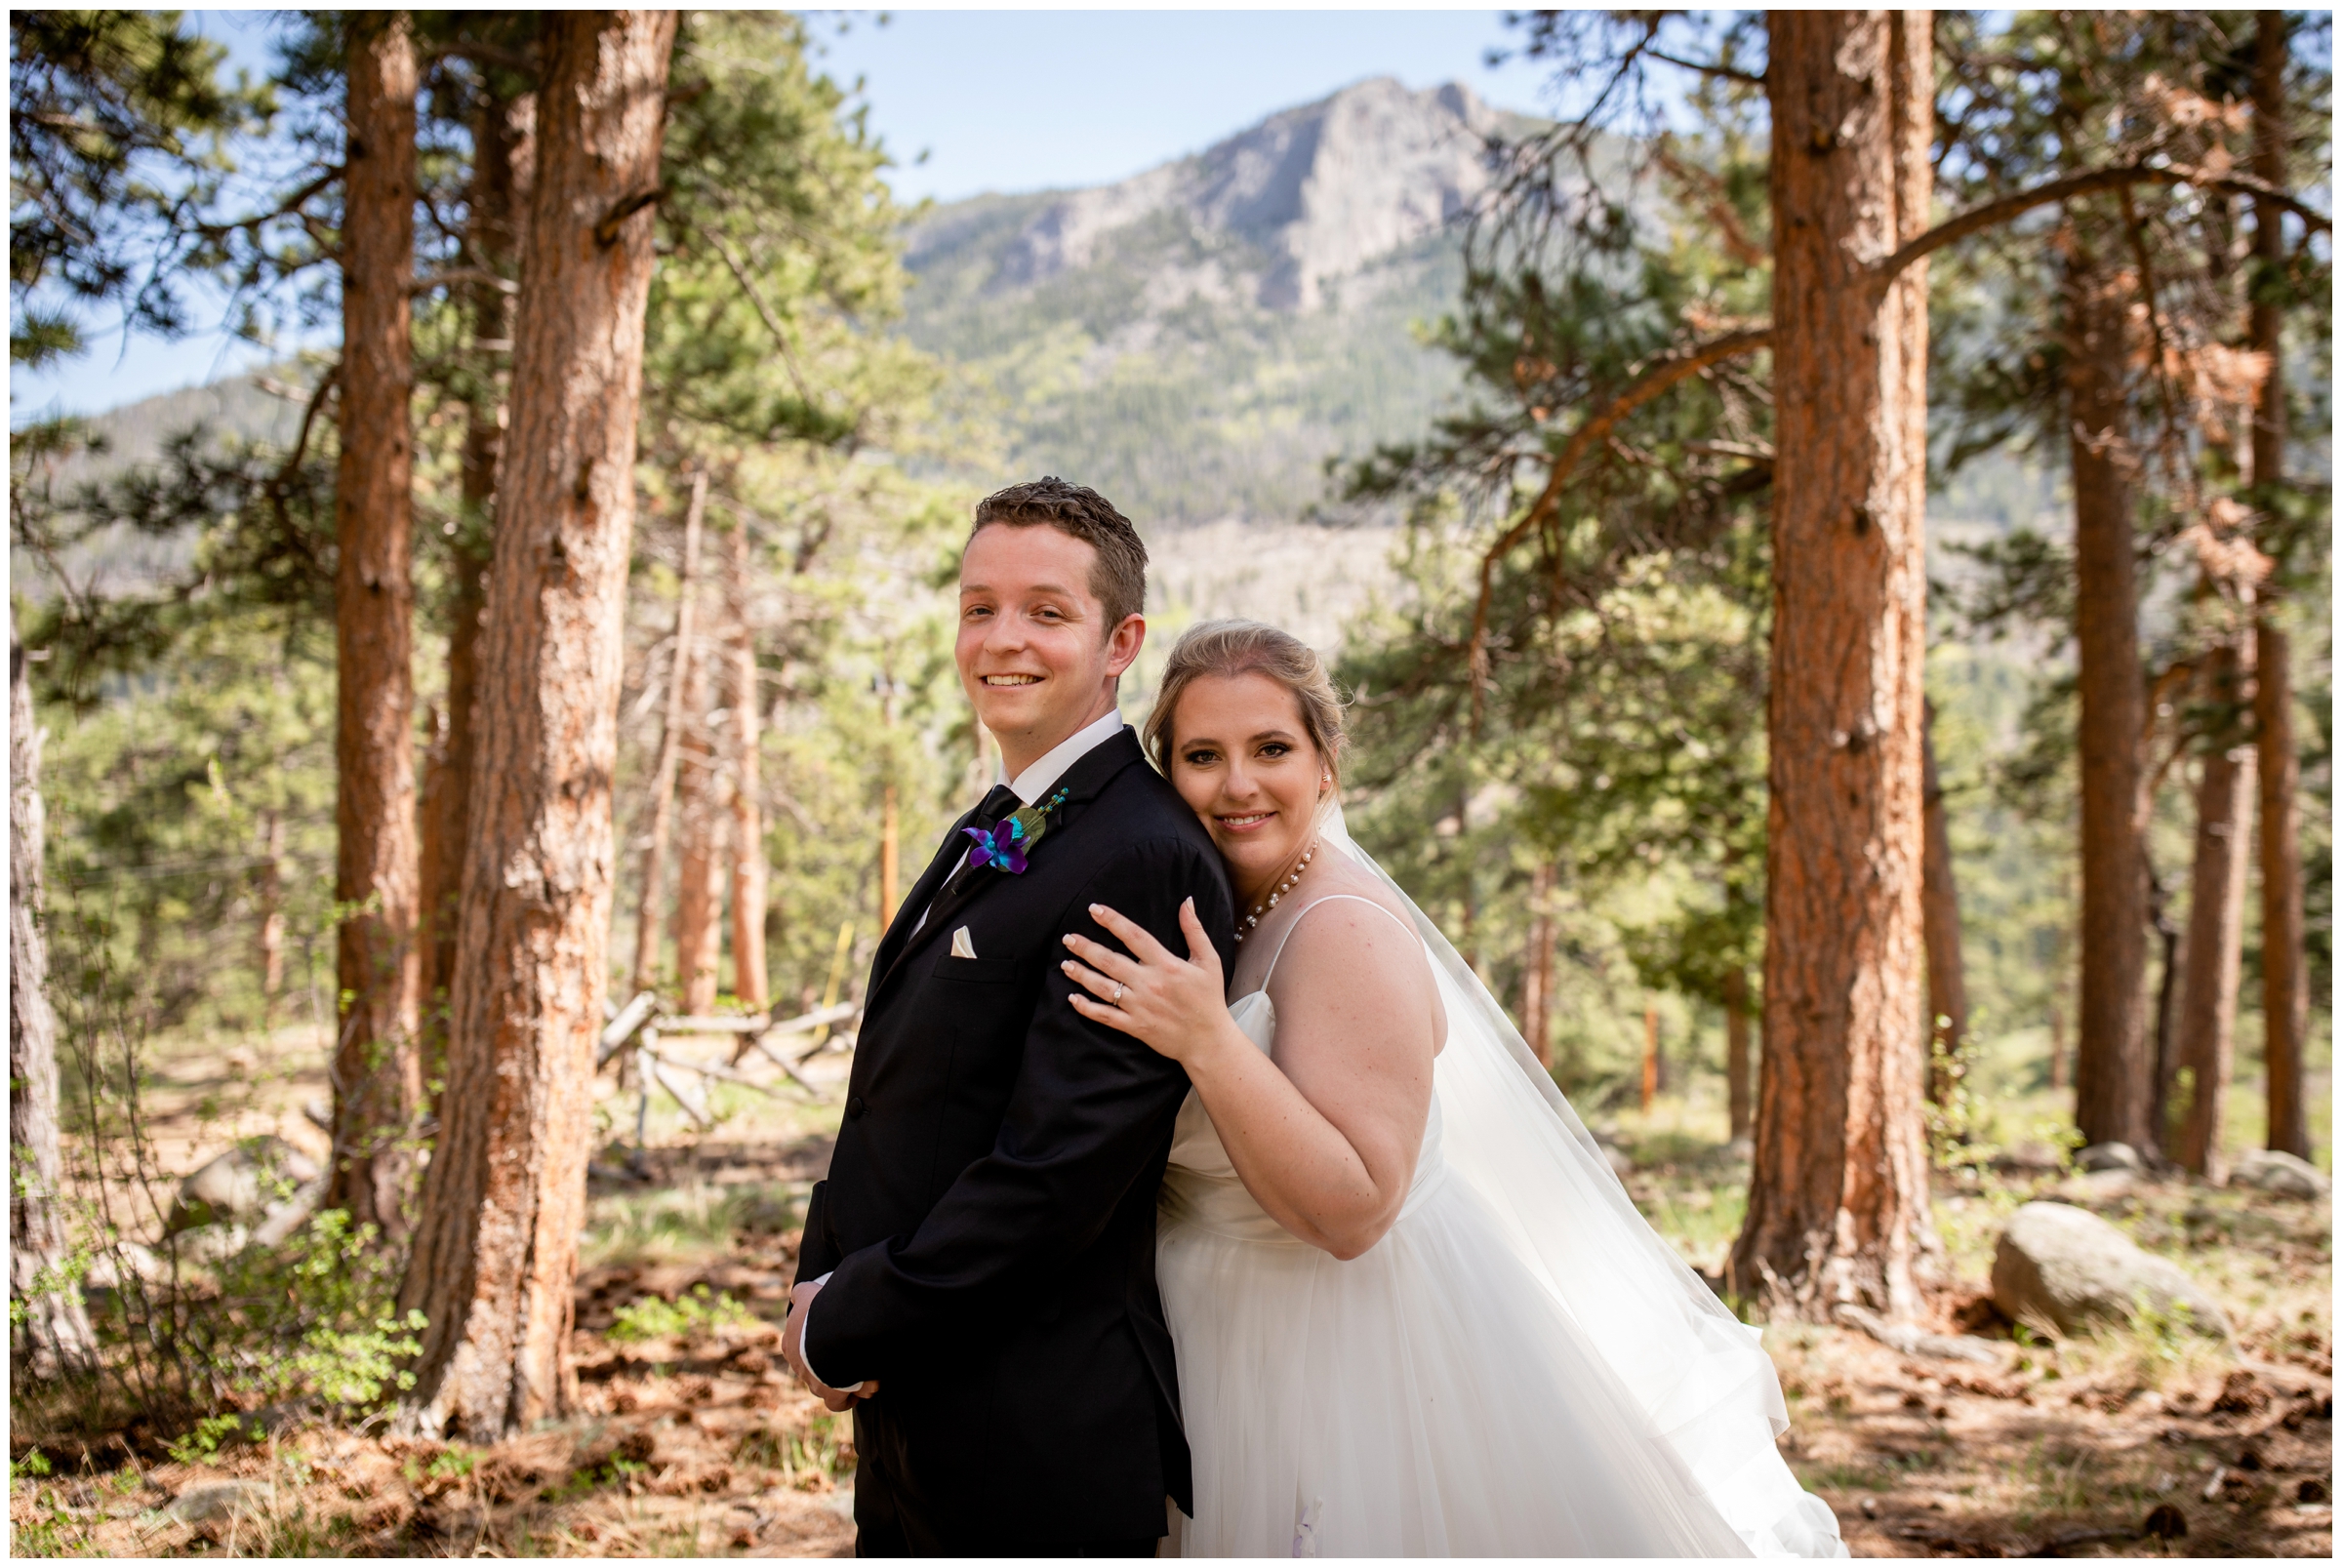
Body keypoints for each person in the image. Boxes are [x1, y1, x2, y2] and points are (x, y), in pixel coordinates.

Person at [1060, 620, 1845, 1557]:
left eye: (1272, 748)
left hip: (1339, 1348)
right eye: (1202, 755)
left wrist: (1207, 1042)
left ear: (1325, 762)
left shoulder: (1343, 928)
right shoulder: (1230, 904)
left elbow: (1357, 1209)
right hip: (1211, 1328)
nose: (1238, 785)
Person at [782, 479, 1236, 1556]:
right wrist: (825, 1273)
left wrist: (851, 1317)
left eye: (1044, 610)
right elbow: (907, 1087)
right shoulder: (1004, 817)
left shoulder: (1141, 851)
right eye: (978, 606)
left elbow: (1056, 1172)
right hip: (919, 1387)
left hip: (1035, 1424)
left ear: (1120, 638)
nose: (1001, 638)